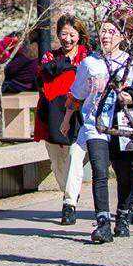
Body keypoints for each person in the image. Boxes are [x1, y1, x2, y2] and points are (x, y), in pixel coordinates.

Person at [67, 16, 133, 244]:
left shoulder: (132, 63)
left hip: (123, 126)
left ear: (122, 36)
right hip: (96, 124)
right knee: (99, 172)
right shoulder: (89, 63)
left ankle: (122, 216)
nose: (105, 36)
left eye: (112, 31)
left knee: (124, 173)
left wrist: (130, 97)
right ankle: (103, 223)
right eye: (103, 31)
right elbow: (78, 93)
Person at [33, 16, 90, 226]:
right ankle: (69, 191)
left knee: (75, 156)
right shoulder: (49, 57)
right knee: (57, 163)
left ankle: (69, 204)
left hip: (78, 115)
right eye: (63, 34)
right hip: (51, 114)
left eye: (72, 34)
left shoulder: (86, 57)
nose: (67, 39)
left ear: (79, 36)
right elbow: (41, 78)